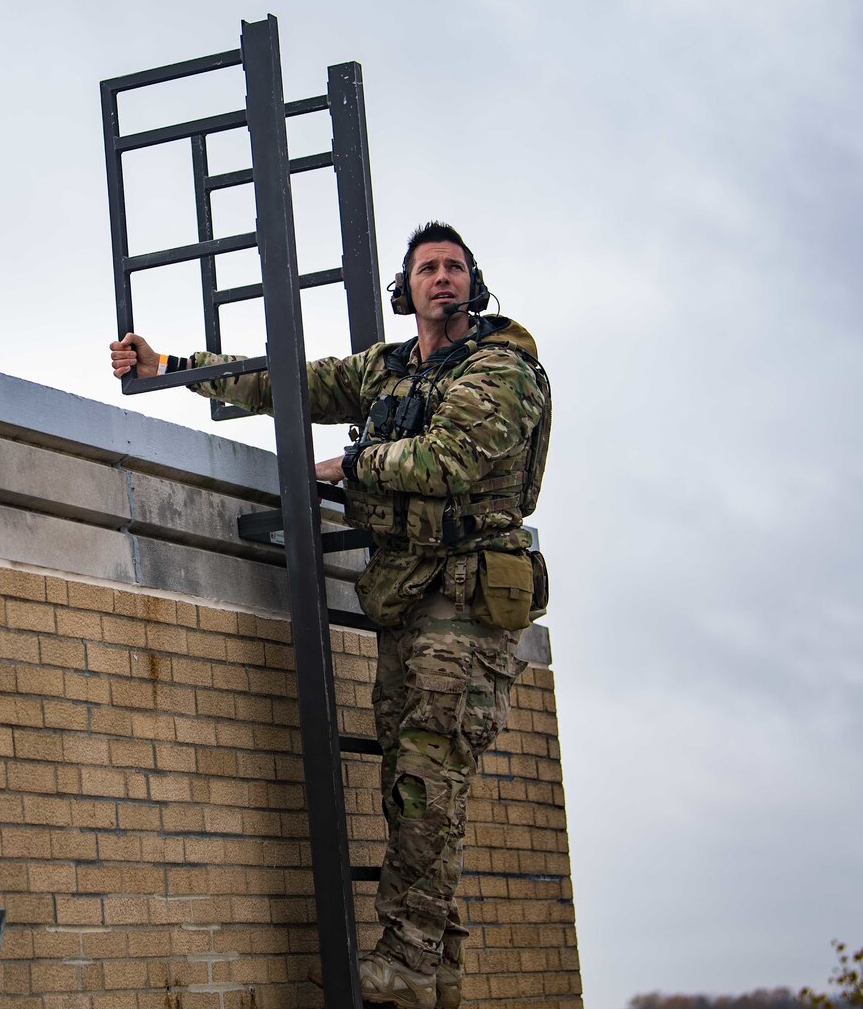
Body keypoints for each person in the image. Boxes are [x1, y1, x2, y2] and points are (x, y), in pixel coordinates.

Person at [108, 223, 551, 1009]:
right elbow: (290, 383)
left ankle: (409, 962)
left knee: (425, 779)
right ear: (406, 288)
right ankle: (433, 972)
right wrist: (175, 368)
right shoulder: (389, 369)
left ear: (471, 285)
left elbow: (448, 458)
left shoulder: (502, 367)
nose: (440, 279)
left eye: (453, 269)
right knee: (413, 784)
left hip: (466, 602)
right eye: (426, 269)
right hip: (409, 597)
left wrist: (347, 463)